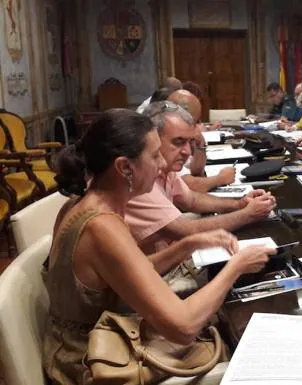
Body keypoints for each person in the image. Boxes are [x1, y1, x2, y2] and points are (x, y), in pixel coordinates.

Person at [43, 109, 274, 384]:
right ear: (125, 168)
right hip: (93, 361)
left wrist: (188, 244)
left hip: (82, 344)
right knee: (242, 346)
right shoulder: (102, 226)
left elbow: (130, 271)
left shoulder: (85, 203)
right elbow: (183, 327)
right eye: (154, 156)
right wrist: (237, 265)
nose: (162, 163)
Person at [125, 101, 276, 255]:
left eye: (190, 142)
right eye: (178, 142)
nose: (188, 152)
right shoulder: (138, 178)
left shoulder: (166, 168)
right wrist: (248, 214)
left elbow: (192, 200)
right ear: (153, 139)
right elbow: (184, 231)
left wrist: (239, 204)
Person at [165, 90, 235, 193]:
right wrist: (220, 179)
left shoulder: (181, 138)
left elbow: (195, 172)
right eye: (194, 122)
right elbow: (186, 186)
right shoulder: (162, 139)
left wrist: (200, 146)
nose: (196, 127)